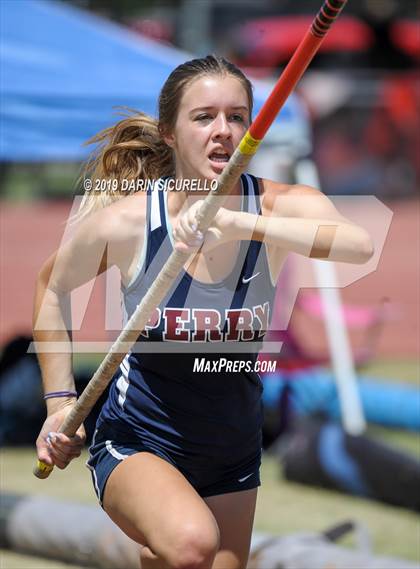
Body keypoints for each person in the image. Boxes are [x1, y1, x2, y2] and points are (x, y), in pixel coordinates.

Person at [34, 55, 374, 569]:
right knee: (192, 544)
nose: (223, 131)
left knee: (185, 559)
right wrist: (59, 401)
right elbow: (51, 287)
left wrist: (243, 224)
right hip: (138, 440)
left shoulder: (275, 206)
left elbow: (358, 245)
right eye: (204, 117)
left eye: (237, 117)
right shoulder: (129, 224)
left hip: (232, 448)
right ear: (170, 132)